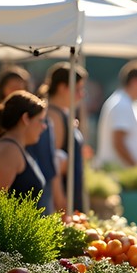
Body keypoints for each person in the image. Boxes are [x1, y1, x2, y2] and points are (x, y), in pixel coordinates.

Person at [0, 91, 49, 208]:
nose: (44, 126)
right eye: (40, 120)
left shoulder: (14, 148)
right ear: (26, 118)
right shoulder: (9, 151)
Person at [42, 63, 87, 213]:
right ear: (62, 87)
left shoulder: (62, 113)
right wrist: (60, 198)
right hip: (62, 195)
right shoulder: (53, 116)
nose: (82, 94)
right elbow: (52, 160)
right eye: (78, 89)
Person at [96, 61, 137, 168]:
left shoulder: (133, 103)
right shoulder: (121, 104)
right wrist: (136, 168)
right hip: (118, 175)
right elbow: (118, 142)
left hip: (126, 174)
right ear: (136, 82)